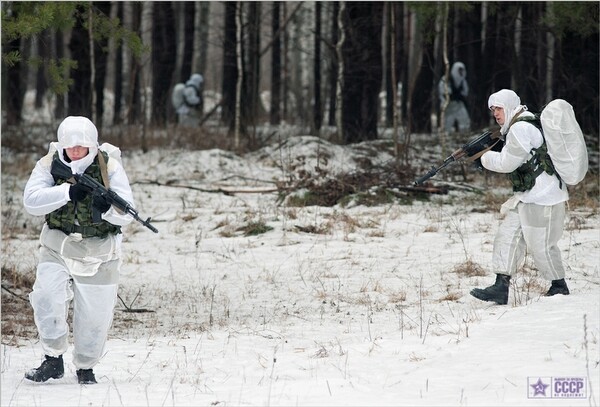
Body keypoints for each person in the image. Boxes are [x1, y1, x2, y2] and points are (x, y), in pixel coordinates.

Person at [23, 116, 134, 384]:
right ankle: (53, 359)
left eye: (81, 146)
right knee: (46, 296)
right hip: (57, 245)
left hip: (99, 251)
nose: (75, 151)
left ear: (92, 146)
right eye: (70, 146)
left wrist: (103, 208)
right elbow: (31, 201)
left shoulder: (110, 166)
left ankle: (86, 368)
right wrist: (66, 194)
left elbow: (127, 213)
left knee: (95, 314)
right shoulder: (50, 164)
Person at [470, 89, 570, 305]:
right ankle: (501, 286)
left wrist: (483, 158)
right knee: (507, 236)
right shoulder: (518, 125)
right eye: (493, 109)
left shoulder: (520, 128)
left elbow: (507, 163)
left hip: (544, 196)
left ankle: (559, 286)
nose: (495, 113)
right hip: (528, 195)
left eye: (498, 108)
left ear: (508, 106)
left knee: (540, 245)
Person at [438, 61, 471, 133]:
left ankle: (464, 134)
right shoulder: (446, 79)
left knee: (464, 120)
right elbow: (442, 91)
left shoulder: (462, 81)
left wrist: (460, 96)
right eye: (459, 70)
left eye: (462, 70)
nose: (461, 72)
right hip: (449, 105)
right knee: (447, 123)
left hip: (458, 104)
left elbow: (465, 92)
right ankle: (445, 137)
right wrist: (445, 99)